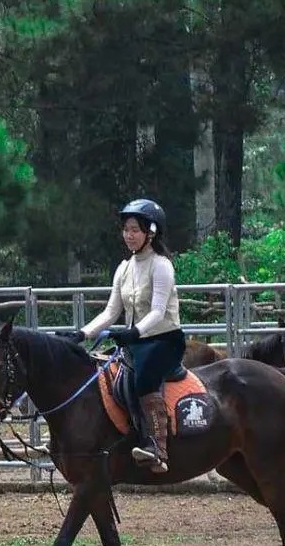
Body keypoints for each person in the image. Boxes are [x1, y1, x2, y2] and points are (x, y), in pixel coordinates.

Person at [76, 198, 184, 474]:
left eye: (135, 229)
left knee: (144, 376)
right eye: (126, 229)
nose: (129, 235)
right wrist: (82, 333)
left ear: (151, 231)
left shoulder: (161, 265)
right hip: (135, 341)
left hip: (164, 340)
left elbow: (158, 311)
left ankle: (157, 448)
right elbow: (111, 312)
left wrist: (134, 332)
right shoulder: (123, 268)